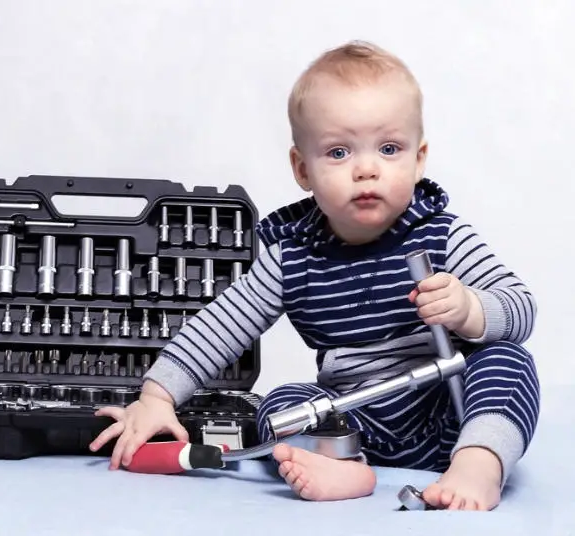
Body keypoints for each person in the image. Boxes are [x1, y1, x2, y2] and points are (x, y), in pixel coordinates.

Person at [89, 40, 539, 511]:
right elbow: (221, 326)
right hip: (349, 419)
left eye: (389, 149)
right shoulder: (292, 257)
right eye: (339, 152)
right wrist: (157, 396)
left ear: (419, 158)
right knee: (278, 403)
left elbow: (521, 308)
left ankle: (479, 466)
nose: (366, 169)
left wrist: (470, 309)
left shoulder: (442, 236)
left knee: (508, 361)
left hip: (448, 412)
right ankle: (344, 466)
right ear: (302, 168)